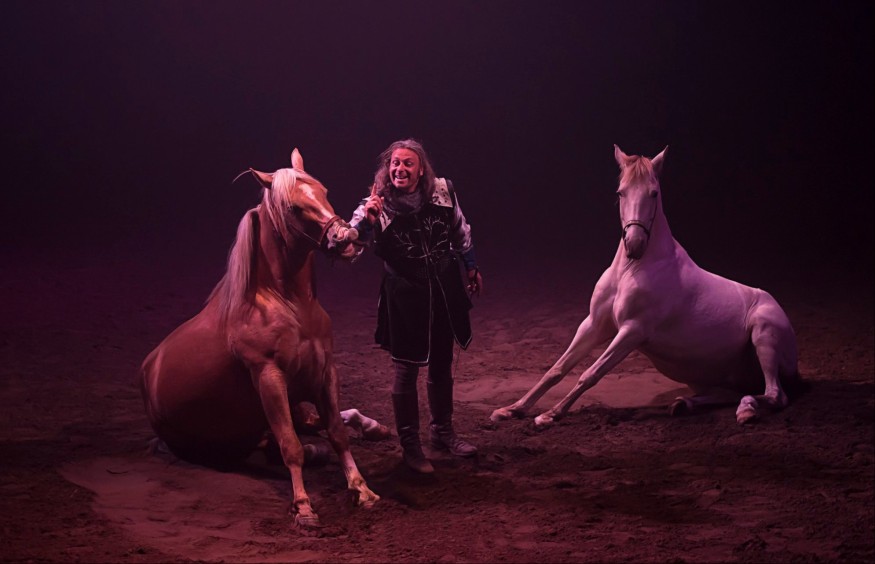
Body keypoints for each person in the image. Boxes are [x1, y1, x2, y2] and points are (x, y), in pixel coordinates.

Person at [349, 139, 483, 474]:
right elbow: (348, 243)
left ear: (421, 170)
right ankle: (411, 447)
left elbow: (460, 230)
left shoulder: (442, 192)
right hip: (405, 295)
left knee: (441, 361)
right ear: (388, 168)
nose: (400, 169)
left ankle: (442, 433)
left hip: (442, 288)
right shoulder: (375, 205)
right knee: (406, 369)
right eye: (395, 163)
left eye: (408, 163)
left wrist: (471, 266)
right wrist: (366, 222)